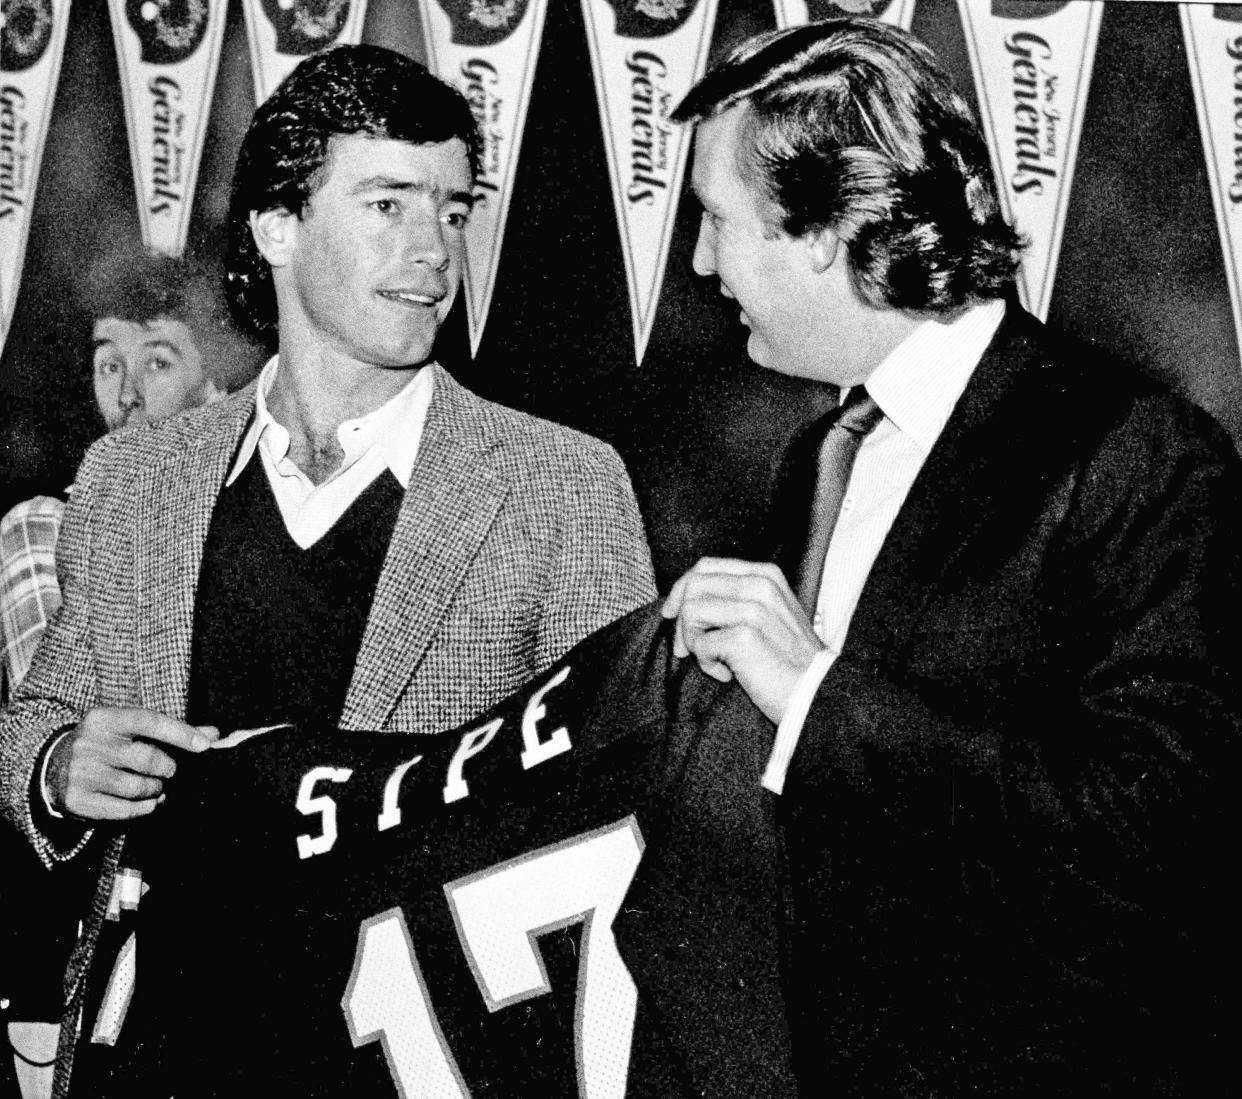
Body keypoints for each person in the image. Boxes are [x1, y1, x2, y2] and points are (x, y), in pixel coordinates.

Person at [0, 41, 653, 1083]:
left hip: (417, 1061)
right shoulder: (132, 480)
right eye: (389, 205)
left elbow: (619, 816)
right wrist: (55, 769)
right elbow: (40, 713)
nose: (436, 250)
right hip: (160, 1049)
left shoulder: (561, 485)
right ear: (276, 228)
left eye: (452, 209)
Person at [661, 17, 1241, 1093]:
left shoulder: (1134, 455)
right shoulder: (819, 459)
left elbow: (1167, 842)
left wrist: (815, 698)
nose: (699, 263)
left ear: (825, 229)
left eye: (716, 220)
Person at [0, 247, 261, 1099]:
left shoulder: (265, 524)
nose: (128, 390)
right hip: (77, 933)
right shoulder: (43, 524)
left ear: (217, 388)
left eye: (158, 359)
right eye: (109, 362)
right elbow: (72, 705)